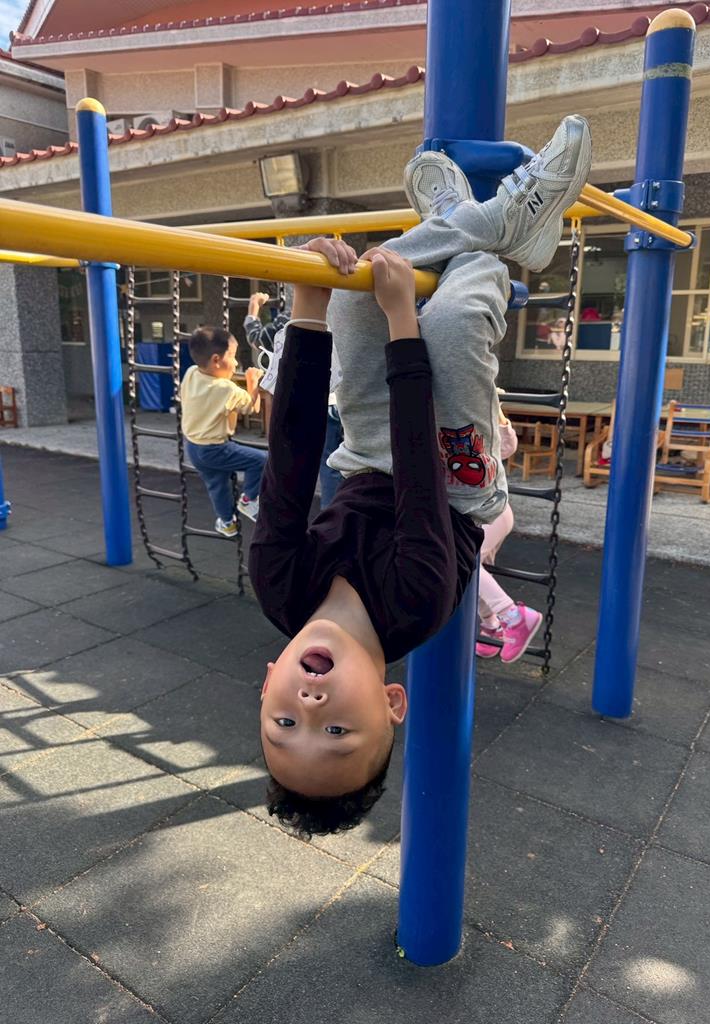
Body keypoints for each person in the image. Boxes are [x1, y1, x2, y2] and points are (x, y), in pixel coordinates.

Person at [250, 115, 592, 837]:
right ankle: (493, 225)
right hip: (454, 482)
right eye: (337, 731)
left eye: (284, 724)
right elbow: (419, 476)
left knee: (355, 292)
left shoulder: (279, 586)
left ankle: (462, 219)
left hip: (366, 453)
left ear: (267, 687)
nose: (309, 707)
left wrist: (306, 311)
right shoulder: (416, 605)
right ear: (391, 702)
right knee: (455, 323)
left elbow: (292, 461)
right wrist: (403, 321)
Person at [246, 290, 344, 509]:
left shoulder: (289, 318)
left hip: (305, 400)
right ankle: (337, 511)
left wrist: (254, 308)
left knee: (293, 459)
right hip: (339, 398)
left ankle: (319, 512)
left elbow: (256, 337)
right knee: (338, 461)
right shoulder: (340, 312)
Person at [181, 326, 266, 538]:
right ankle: (248, 500)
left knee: (217, 485)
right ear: (216, 360)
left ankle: (227, 522)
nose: (236, 363)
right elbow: (252, 408)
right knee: (261, 461)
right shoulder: (227, 390)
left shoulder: (191, 373)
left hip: (193, 447)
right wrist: (252, 382)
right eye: (233, 356)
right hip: (215, 448)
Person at [476, 411, 543, 662]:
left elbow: (506, 448)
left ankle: (513, 617)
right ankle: (491, 624)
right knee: (476, 571)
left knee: (462, 563)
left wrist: (498, 415)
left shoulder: (476, 414)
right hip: (473, 515)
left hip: (493, 512)